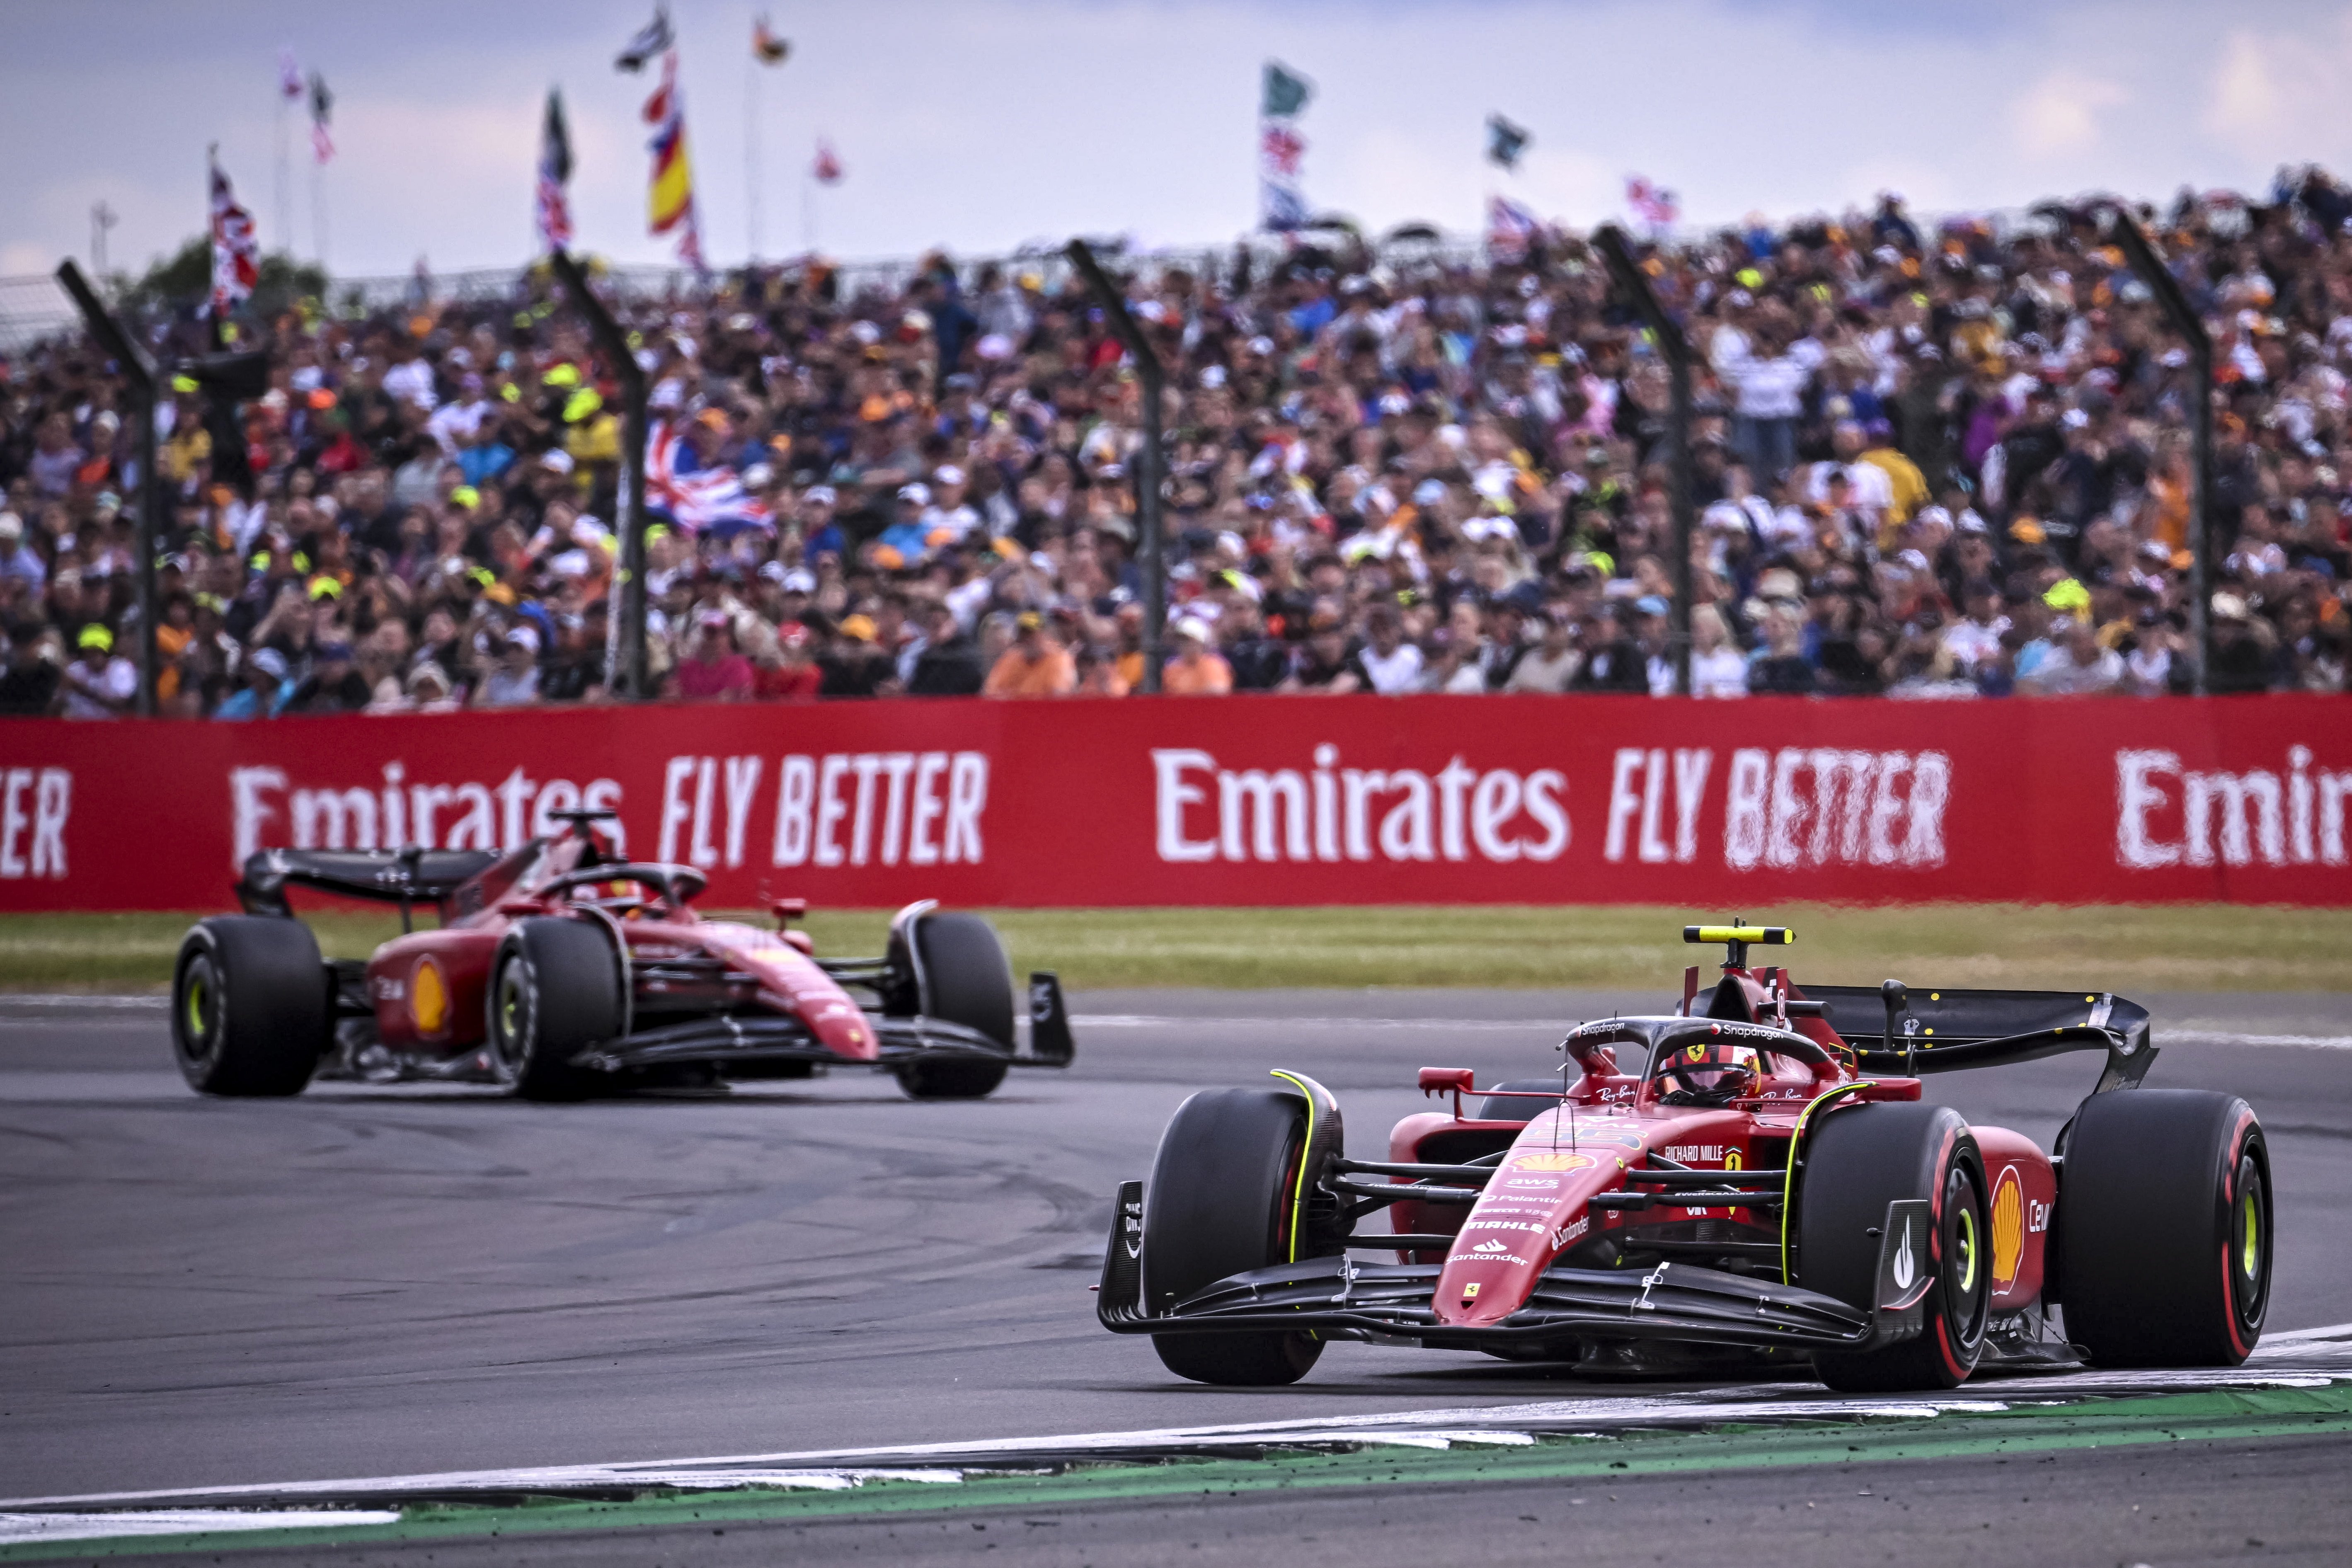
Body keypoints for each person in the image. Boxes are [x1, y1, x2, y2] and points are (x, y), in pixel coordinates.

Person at [983, 611, 1076, 696]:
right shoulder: (1010, 659)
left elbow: (1057, 697)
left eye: (1031, 635)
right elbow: (991, 694)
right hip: (1013, 712)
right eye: (1023, 635)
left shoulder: (1059, 659)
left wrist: (1015, 696)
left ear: (1045, 635)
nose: (1027, 640)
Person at [56, 624, 136, 718]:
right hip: (79, 726)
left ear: (108, 653)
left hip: (112, 727)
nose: (93, 657)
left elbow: (120, 704)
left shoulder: (121, 669)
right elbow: (56, 708)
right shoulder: (74, 671)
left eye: (97, 652)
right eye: (88, 652)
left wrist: (81, 688)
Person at [670, 613, 753, 701]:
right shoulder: (687, 667)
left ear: (728, 637)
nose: (711, 639)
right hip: (691, 715)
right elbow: (675, 699)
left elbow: (726, 702)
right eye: (707, 632)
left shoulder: (739, 666)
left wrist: (687, 701)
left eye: (715, 632)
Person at [1161, 619, 1233, 695]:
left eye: (1189, 641)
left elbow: (1219, 692)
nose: (1185, 645)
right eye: (1182, 641)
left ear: (1201, 643)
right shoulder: (1172, 669)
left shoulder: (1214, 665)